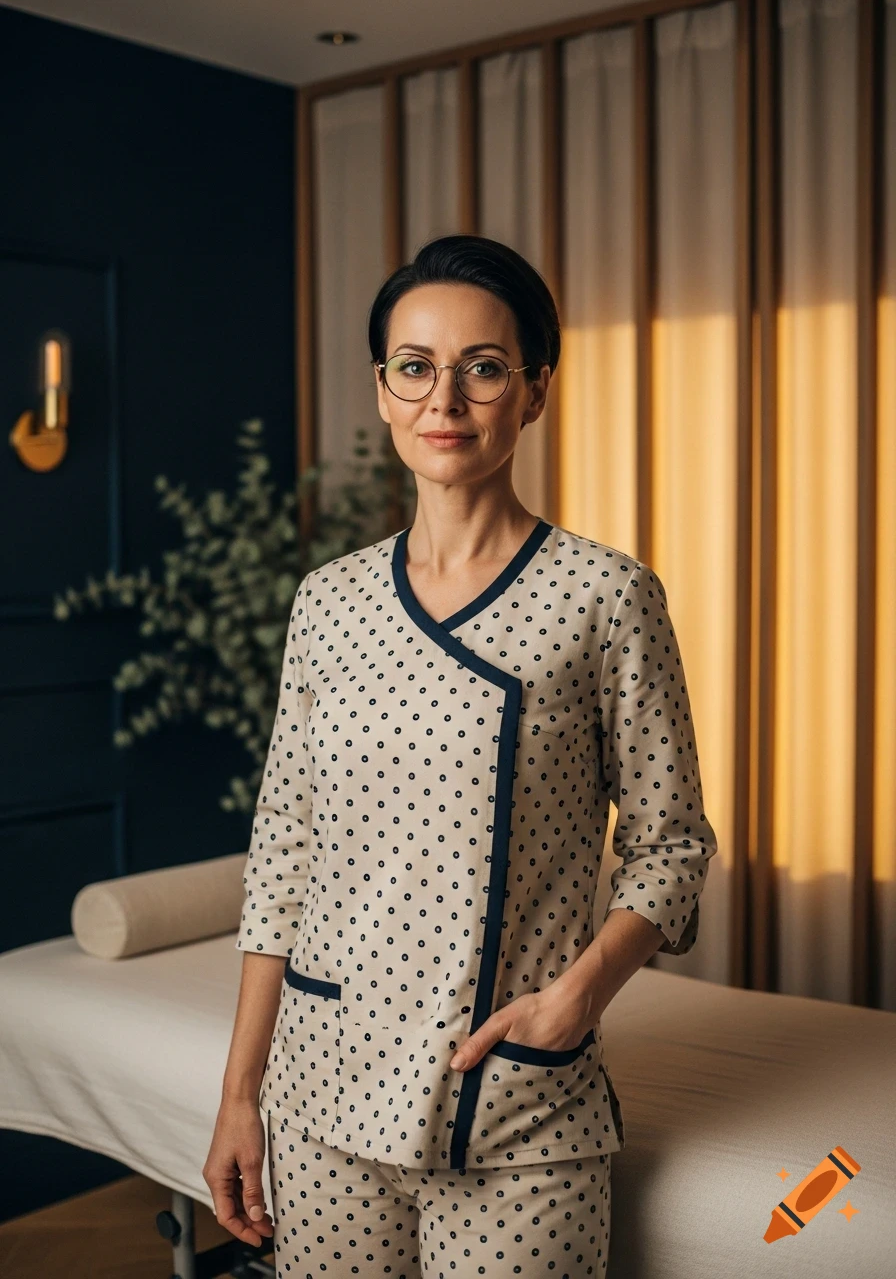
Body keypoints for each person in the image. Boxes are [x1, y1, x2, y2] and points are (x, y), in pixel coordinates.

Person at [203, 233, 718, 1277]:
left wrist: (575, 999)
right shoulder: (330, 602)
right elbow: (283, 853)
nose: (445, 398)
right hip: (321, 1091)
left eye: (483, 367)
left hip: (516, 1102)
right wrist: (238, 1094)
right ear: (383, 391)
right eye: (415, 366)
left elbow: (670, 844)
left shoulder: (604, 596)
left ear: (531, 392)